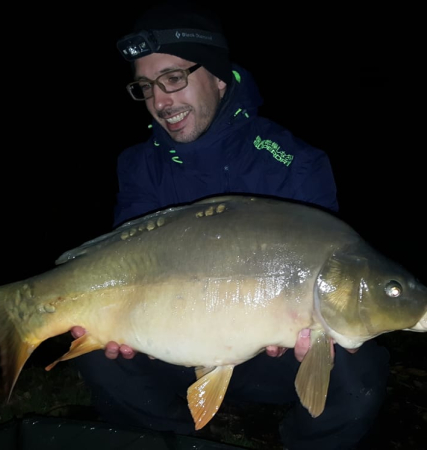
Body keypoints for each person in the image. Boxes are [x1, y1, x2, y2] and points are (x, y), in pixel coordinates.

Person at [71, 2, 390, 448]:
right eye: (146, 87)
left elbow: (328, 270)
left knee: (358, 367)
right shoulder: (139, 165)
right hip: (174, 342)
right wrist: (114, 322)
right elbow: (129, 263)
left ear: (220, 78)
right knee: (101, 356)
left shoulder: (295, 162)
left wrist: (313, 332)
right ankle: (170, 440)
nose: (161, 101)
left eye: (174, 78)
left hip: (271, 355)